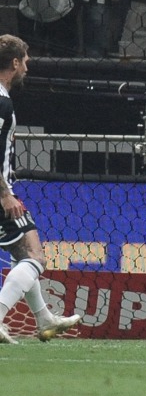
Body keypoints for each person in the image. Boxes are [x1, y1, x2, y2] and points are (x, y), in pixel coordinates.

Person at [0, 35, 81, 342]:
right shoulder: (2, 102)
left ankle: (44, 319)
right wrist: (4, 193)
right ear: (15, 63)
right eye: (26, 60)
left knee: (22, 255)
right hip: (1, 192)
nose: (28, 66)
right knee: (35, 256)